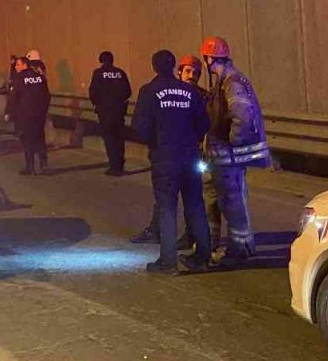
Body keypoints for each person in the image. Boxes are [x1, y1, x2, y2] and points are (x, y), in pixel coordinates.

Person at [131, 50, 212, 275]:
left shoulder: (149, 92)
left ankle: (168, 262)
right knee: (195, 205)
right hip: (189, 156)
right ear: (174, 66)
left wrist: (155, 143)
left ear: (154, 67)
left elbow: (139, 126)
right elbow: (204, 123)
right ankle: (203, 258)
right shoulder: (189, 92)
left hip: (164, 158)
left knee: (167, 208)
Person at [200, 36, 270, 265]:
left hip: (230, 157)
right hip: (223, 156)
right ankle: (240, 246)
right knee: (229, 201)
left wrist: (232, 142)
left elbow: (243, 115)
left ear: (209, 58)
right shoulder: (223, 80)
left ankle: (240, 250)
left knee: (233, 203)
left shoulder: (232, 82)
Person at [88, 51, 132, 175]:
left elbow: (93, 92)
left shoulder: (98, 73)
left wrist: (98, 103)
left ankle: (113, 166)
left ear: (101, 60)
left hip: (104, 111)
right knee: (119, 138)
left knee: (109, 138)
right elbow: (128, 91)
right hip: (119, 111)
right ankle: (120, 163)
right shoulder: (120, 73)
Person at [11, 57, 51, 175]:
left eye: (18, 64)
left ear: (25, 65)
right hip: (39, 114)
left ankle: (30, 167)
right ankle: (44, 165)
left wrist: (12, 113)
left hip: (26, 114)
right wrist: (43, 111)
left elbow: (14, 97)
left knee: (27, 140)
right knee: (40, 138)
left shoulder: (19, 78)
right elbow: (46, 95)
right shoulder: (40, 77)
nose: (16, 67)